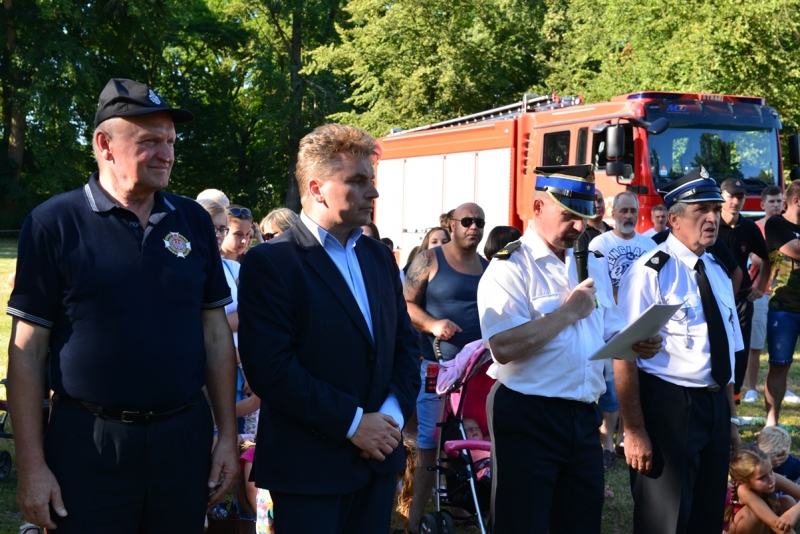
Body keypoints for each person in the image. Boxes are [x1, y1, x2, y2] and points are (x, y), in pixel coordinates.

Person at [6, 78, 238, 533]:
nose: (167, 153)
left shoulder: (192, 220)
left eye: (171, 141)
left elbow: (216, 336)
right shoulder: (53, 223)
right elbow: (28, 352)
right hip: (88, 446)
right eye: (150, 141)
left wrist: (227, 437)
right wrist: (32, 466)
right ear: (104, 144)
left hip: (182, 442)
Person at [237, 123, 420, 533]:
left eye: (371, 180)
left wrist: (388, 420)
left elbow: (406, 347)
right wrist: (354, 424)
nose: (373, 192)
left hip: (376, 462)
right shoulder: (272, 262)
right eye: (357, 181)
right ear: (317, 188)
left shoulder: (379, 257)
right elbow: (271, 368)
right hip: (310, 469)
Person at [477, 164, 662, 534]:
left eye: (583, 216)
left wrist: (637, 340)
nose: (579, 227)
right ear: (538, 207)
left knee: (580, 521)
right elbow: (503, 346)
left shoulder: (590, 260)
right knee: (522, 523)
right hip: (529, 412)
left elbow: (609, 328)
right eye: (568, 216)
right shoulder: (510, 266)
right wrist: (567, 313)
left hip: (583, 415)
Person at [616, 166, 743, 534]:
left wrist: (731, 421)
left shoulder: (717, 270)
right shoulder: (650, 271)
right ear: (673, 219)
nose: (712, 218)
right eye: (701, 210)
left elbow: (725, 352)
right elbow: (624, 353)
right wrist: (634, 430)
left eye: (715, 210)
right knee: (664, 521)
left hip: (715, 406)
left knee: (707, 517)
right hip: (670, 406)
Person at [403, 202, 490, 532]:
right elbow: (404, 304)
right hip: (436, 369)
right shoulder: (429, 259)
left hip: (478, 374)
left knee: (470, 441)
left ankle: (466, 510)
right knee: (429, 444)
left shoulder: (488, 267)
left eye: (479, 222)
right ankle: (413, 521)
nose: (473, 227)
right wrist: (433, 324)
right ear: (450, 224)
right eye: (467, 221)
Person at [589, 191, 655, 470]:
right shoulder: (600, 243)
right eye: (623, 210)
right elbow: (598, 286)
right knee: (611, 387)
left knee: (636, 384)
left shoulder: (650, 245)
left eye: (633, 211)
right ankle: (606, 445)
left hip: (641, 325)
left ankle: (625, 437)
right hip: (611, 328)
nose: (628, 216)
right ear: (613, 213)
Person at [745, 186, 791, 404]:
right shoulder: (756, 227)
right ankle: (751, 388)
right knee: (755, 345)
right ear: (762, 204)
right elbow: (755, 258)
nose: (776, 205)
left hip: (783, 294)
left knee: (783, 347)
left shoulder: (788, 226)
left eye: (779, 201)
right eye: (772, 201)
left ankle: (784, 388)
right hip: (760, 293)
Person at [764, 180, 800, 426]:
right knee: (779, 366)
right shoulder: (776, 224)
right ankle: (771, 423)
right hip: (783, 308)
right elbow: (796, 249)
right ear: (797, 201)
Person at [725, 447, 800, 534]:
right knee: (752, 514)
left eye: (771, 471)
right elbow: (775, 525)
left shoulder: (773, 479)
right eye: (762, 477)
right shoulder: (743, 491)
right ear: (744, 482)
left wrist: (795, 510)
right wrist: (791, 514)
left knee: (787, 501)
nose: (771, 479)